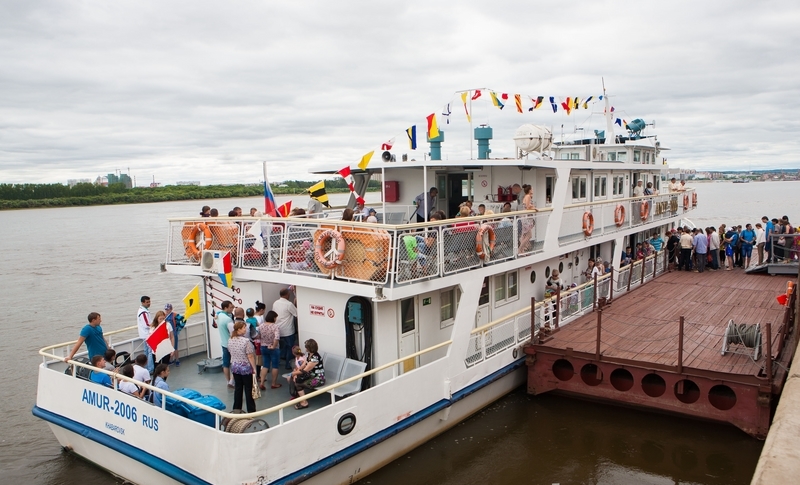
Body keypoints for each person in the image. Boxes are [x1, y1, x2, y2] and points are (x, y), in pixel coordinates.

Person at [229, 321, 257, 413]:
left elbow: (230, 352)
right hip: (245, 368)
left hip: (235, 367)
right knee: (248, 389)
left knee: (238, 388)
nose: (246, 329)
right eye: (244, 328)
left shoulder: (230, 339)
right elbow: (250, 356)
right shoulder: (246, 341)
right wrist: (254, 368)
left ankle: (236, 409)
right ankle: (251, 410)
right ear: (239, 329)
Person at [290, 339, 325, 410]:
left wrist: (294, 373)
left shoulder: (315, 358)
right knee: (297, 379)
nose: (305, 348)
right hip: (311, 375)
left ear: (309, 348)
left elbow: (305, 371)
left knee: (298, 384)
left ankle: (304, 403)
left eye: (306, 347)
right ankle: (301, 398)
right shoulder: (309, 354)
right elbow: (304, 365)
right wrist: (297, 370)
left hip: (318, 379)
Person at [273, 288, 298, 370]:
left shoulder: (275, 303)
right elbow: (296, 314)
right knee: (290, 348)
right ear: (287, 295)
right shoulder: (289, 304)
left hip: (278, 330)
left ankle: (279, 362)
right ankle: (288, 364)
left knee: (281, 347)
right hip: (288, 331)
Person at [257, 310, 281, 390]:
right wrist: (274, 346)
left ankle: (262, 382)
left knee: (265, 365)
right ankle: (274, 383)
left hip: (263, 347)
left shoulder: (261, 326)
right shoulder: (275, 326)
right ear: (274, 318)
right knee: (275, 366)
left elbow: (258, 336)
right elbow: (276, 338)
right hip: (273, 348)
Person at [215, 300, 234, 387]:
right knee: (235, 362)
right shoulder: (228, 319)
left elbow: (218, 313)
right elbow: (232, 332)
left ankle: (228, 381)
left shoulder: (219, 315)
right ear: (225, 308)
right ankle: (232, 381)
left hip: (223, 343)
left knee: (225, 363)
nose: (232, 309)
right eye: (230, 307)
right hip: (231, 344)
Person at [137, 296, 153, 374]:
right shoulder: (143, 313)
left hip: (144, 334)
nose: (149, 303)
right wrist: (155, 325)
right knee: (150, 352)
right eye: (147, 302)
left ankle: (146, 367)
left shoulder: (143, 311)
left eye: (149, 302)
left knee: (146, 351)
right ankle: (150, 369)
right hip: (147, 335)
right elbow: (147, 324)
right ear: (142, 302)